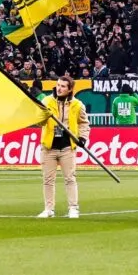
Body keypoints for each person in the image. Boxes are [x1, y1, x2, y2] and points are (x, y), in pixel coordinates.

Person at [38, 75, 90, 219]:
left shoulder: (77, 104)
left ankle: (73, 208)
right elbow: (39, 122)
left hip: (67, 147)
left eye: (63, 86)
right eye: (58, 85)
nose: (59, 88)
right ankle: (49, 209)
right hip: (49, 147)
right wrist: (43, 116)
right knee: (48, 180)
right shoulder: (46, 101)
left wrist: (82, 138)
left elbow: (84, 123)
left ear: (70, 89)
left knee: (70, 178)